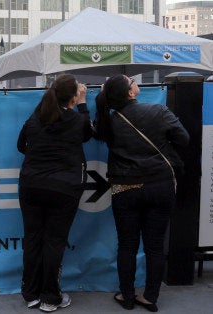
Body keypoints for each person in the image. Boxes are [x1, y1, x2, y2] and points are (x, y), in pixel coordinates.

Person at [94, 75, 189, 312]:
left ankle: (127, 296)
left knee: (127, 245)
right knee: (154, 246)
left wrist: (101, 93)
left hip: (125, 187)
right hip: (160, 184)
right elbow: (184, 139)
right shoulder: (158, 110)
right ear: (131, 93)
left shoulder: (108, 122)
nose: (136, 82)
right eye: (132, 81)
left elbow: (96, 125)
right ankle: (150, 297)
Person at [17, 74, 92, 312]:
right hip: (64, 189)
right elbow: (89, 133)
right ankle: (50, 297)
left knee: (32, 238)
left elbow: (21, 146)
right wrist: (82, 103)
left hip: (31, 185)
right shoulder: (77, 121)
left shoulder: (35, 119)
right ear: (72, 97)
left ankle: (31, 294)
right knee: (54, 241)